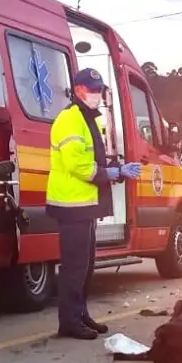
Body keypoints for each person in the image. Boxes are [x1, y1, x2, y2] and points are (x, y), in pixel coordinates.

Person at [47, 68, 141, 340]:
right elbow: (77, 164)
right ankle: (69, 322)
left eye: (100, 90)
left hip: (84, 204)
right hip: (71, 204)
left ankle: (80, 314)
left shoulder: (87, 119)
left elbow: (95, 157)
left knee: (86, 266)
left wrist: (118, 168)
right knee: (74, 267)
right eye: (92, 90)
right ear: (78, 90)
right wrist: (109, 173)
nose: (97, 95)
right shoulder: (69, 119)